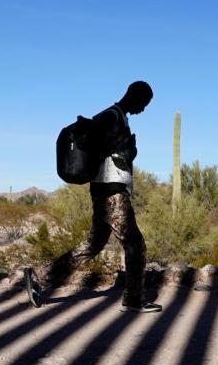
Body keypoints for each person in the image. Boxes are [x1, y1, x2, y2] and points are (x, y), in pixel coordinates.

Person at [24, 81, 160, 313]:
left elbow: (113, 151)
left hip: (105, 191)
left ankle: (41, 277)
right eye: (144, 103)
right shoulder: (111, 116)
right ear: (134, 96)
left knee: (93, 245)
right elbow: (93, 139)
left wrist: (127, 149)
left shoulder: (118, 118)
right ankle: (133, 300)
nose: (143, 109)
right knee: (135, 244)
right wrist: (120, 144)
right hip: (111, 192)